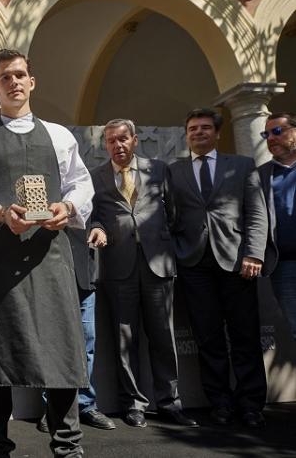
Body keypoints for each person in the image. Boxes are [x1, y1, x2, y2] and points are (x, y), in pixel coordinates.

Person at [0, 48, 93, 457]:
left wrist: (66, 208)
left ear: (32, 82)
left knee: (62, 349)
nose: (13, 82)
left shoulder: (60, 136)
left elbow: (80, 184)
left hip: (51, 257)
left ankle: (68, 446)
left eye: (20, 75)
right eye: (4, 77)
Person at [89, 119, 196, 428]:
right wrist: (97, 228)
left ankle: (169, 402)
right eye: (110, 141)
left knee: (163, 336)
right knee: (126, 338)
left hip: (158, 264)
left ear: (135, 140)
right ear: (105, 145)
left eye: (123, 139)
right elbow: (93, 216)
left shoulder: (160, 169)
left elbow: (173, 213)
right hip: (117, 266)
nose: (117, 145)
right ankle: (133, 403)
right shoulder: (96, 177)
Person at [169, 108, 268, 428]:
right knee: (207, 337)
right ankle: (220, 402)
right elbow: (170, 216)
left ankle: (251, 404)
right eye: (193, 128)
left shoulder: (241, 165)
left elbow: (256, 213)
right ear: (186, 134)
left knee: (245, 336)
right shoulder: (174, 171)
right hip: (194, 265)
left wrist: (253, 254)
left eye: (205, 128)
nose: (198, 133)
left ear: (217, 133)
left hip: (237, 262)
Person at [38, 228, 115, 433]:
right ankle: (52, 408)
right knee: (52, 345)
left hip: (82, 270)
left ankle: (86, 404)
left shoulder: (87, 193)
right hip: (46, 269)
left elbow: (95, 211)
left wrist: (98, 227)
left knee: (86, 343)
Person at [259, 112, 296, 341]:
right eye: (267, 134)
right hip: (285, 267)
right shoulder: (261, 175)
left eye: (278, 131)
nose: (271, 138)